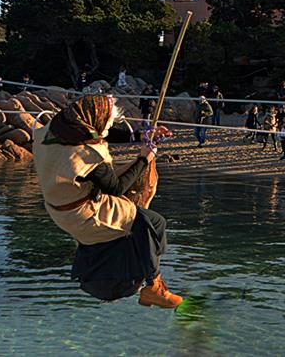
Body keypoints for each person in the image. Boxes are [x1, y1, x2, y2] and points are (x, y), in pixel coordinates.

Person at [32, 95, 181, 308]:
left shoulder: (59, 128)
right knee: (153, 223)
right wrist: (144, 158)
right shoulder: (83, 156)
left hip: (61, 204)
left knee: (141, 221)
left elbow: (100, 133)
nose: (109, 126)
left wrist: (142, 135)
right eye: (108, 122)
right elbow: (116, 187)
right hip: (82, 212)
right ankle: (154, 286)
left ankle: (147, 274)